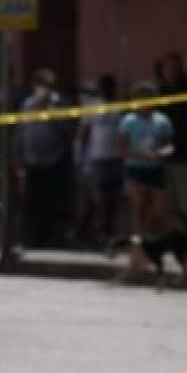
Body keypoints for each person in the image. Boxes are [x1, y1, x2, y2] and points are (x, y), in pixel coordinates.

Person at [16, 69, 73, 247]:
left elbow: (68, 130)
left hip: (55, 160)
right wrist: (18, 157)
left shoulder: (60, 104)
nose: (43, 89)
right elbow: (21, 131)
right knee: (32, 202)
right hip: (32, 161)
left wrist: (50, 113)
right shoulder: (27, 105)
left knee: (54, 202)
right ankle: (33, 239)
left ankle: (55, 238)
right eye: (41, 85)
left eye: (48, 86)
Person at [119, 83, 174, 238]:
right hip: (135, 167)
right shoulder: (128, 121)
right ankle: (138, 239)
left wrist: (162, 153)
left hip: (155, 168)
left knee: (159, 207)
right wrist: (141, 155)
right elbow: (121, 149)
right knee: (138, 204)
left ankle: (147, 233)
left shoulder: (162, 120)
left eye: (149, 98)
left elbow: (168, 144)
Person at [76, 74, 123, 245]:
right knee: (98, 197)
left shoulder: (120, 106)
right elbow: (84, 133)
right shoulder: (93, 106)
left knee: (113, 197)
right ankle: (97, 231)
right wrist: (81, 157)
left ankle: (109, 229)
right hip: (97, 158)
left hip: (116, 157)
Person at [158, 52, 187, 240]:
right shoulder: (160, 92)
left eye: (174, 67)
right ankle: (180, 244)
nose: (170, 71)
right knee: (169, 206)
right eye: (167, 68)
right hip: (164, 157)